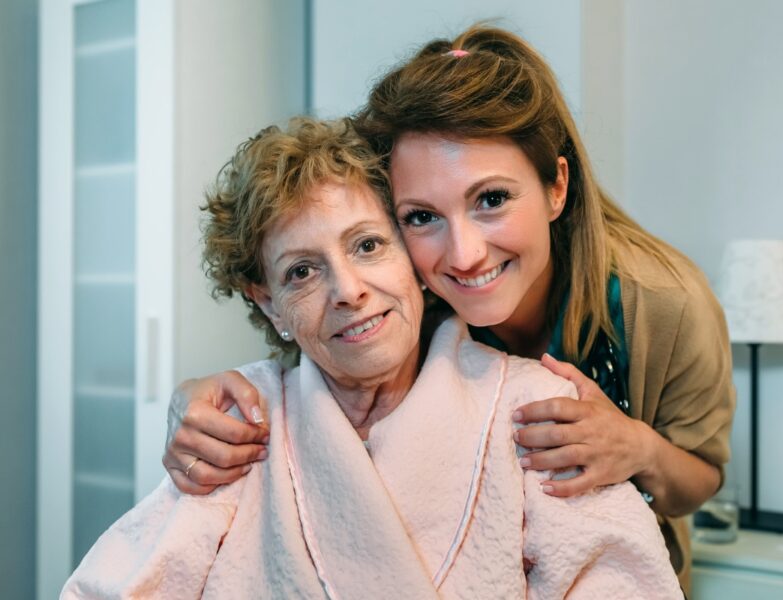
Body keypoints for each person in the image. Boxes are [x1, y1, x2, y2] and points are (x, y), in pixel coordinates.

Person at [163, 26, 735, 593]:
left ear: (557, 186)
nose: (463, 256)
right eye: (420, 215)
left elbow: (702, 478)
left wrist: (639, 448)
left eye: (492, 199)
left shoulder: (663, 303)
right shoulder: (407, 289)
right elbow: (316, 344)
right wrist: (201, 400)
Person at [62, 118, 681, 599]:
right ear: (269, 303)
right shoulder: (241, 423)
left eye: (367, 245)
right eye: (301, 271)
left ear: (412, 256)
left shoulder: (532, 408)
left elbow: (621, 581)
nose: (348, 290)